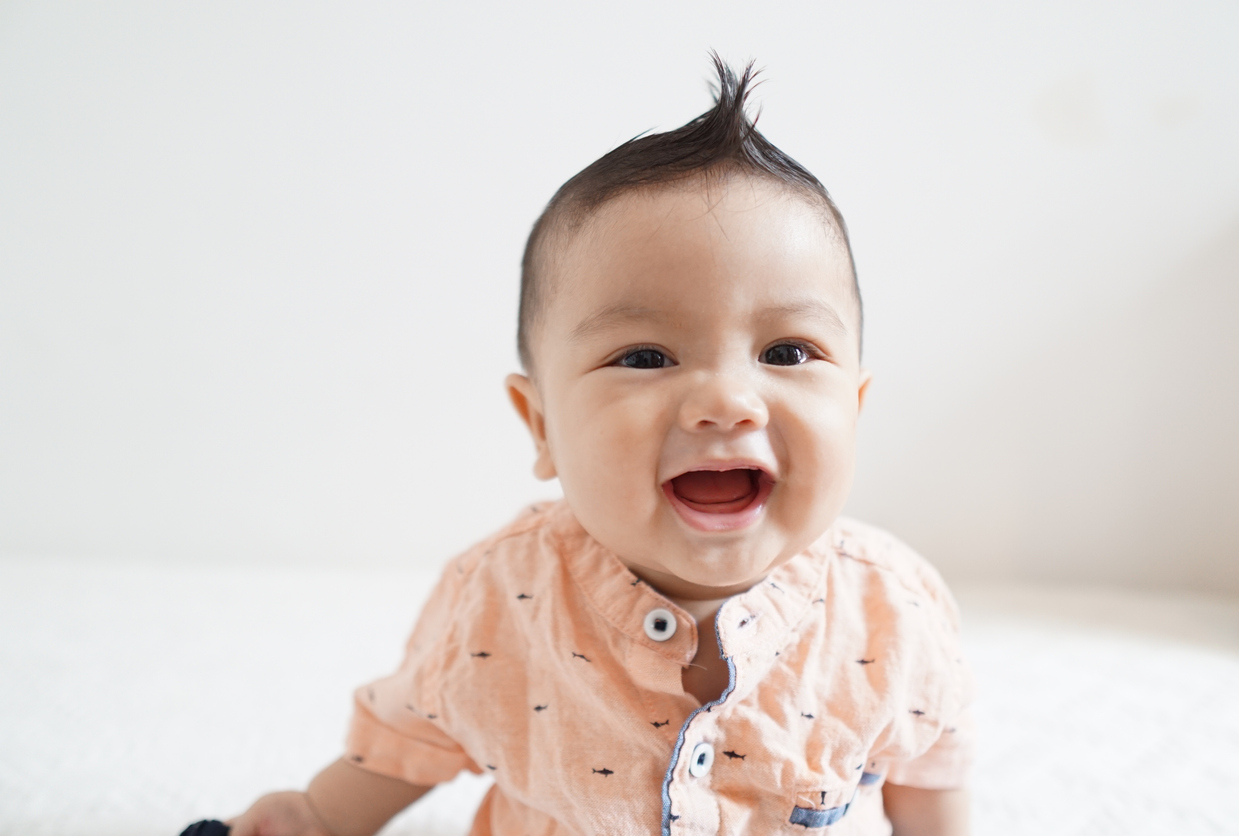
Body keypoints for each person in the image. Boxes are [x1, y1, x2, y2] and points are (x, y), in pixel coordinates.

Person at [221, 57, 975, 836]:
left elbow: (930, 758)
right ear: (541, 424)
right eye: (645, 357)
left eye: (786, 352)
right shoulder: (503, 595)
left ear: (854, 407)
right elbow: (412, 728)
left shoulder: (891, 609)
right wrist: (315, 814)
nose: (724, 401)